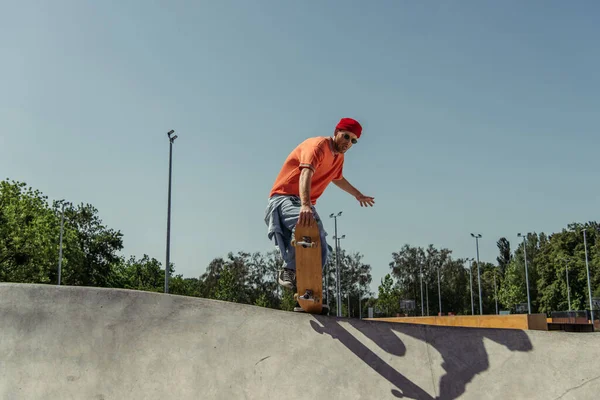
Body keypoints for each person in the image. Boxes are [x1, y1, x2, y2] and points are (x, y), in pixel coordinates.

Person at [264, 117, 375, 312]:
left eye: (353, 140)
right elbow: (305, 173)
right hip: (284, 198)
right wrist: (306, 205)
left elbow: (337, 178)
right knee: (311, 225)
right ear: (336, 132)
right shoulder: (317, 146)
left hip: (303, 203)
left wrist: (358, 195)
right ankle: (288, 269)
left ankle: (306, 295)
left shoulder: (338, 157)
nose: (348, 143)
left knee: (322, 247)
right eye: (346, 136)